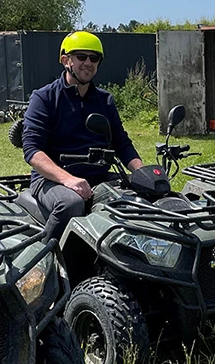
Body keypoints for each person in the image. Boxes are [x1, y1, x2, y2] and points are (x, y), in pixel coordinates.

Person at [21, 30, 144, 243]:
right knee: (71, 203)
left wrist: (143, 173)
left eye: (94, 58)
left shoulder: (104, 100)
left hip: (98, 177)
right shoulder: (44, 98)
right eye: (82, 57)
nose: (88, 63)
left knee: (140, 200)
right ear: (65, 60)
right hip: (52, 180)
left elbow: (121, 142)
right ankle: (43, 263)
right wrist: (68, 180)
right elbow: (33, 151)